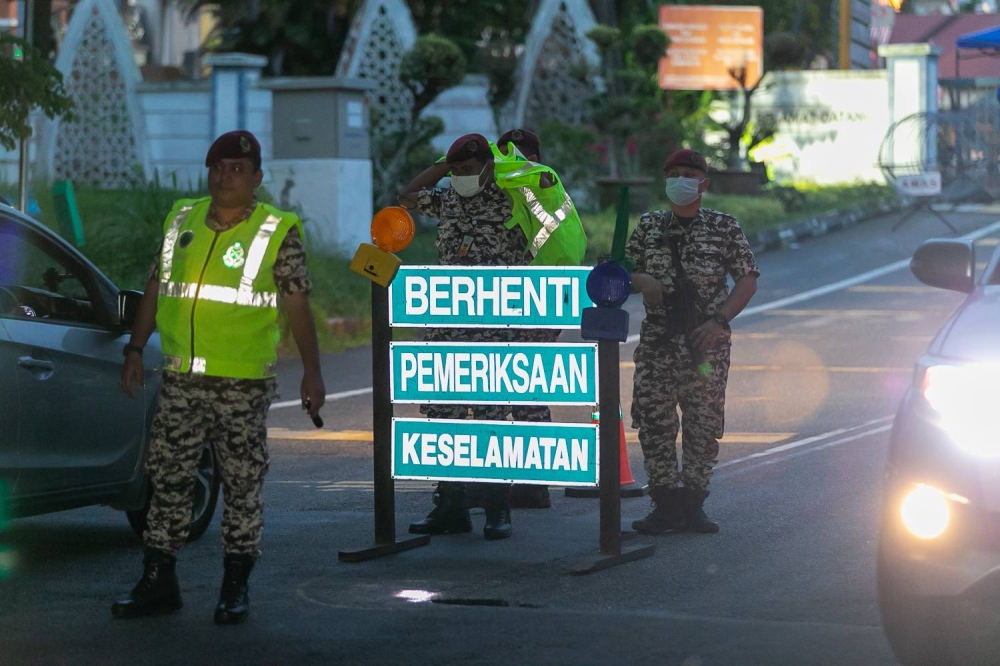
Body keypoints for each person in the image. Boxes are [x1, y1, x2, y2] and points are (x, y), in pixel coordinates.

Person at [112, 130, 326, 623]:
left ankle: (235, 586)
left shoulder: (277, 229)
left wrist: (312, 372)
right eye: (217, 167)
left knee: (242, 482)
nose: (224, 176)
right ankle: (158, 581)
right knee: (167, 479)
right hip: (182, 380)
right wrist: (136, 348)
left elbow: (297, 303)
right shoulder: (181, 220)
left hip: (242, 384)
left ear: (256, 178)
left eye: (235, 169)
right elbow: (156, 285)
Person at [626, 149, 758, 535]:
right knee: (654, 422)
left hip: (705, 343)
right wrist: (641, 279)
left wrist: (719, 321)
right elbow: (621, 268)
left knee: (702, 424)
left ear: (704, 183)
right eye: (673, 174)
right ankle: (665, 503)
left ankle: (694, 503)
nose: (680, 180)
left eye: (688, 174)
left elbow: (747, 279)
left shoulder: (723, 227)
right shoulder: (650, 226)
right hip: (658, 342)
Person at [398, 133, 522, 540]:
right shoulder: (447, 196)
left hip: (491, 322)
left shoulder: (509, 200)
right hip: (447, 321)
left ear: (488, 166)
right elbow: (407, 194)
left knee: (489, 415)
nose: (464, 177)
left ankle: (497, 508)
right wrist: (443, 165)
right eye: (459, 171)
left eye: (471, 169)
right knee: (443, 414)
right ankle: (451, 504)